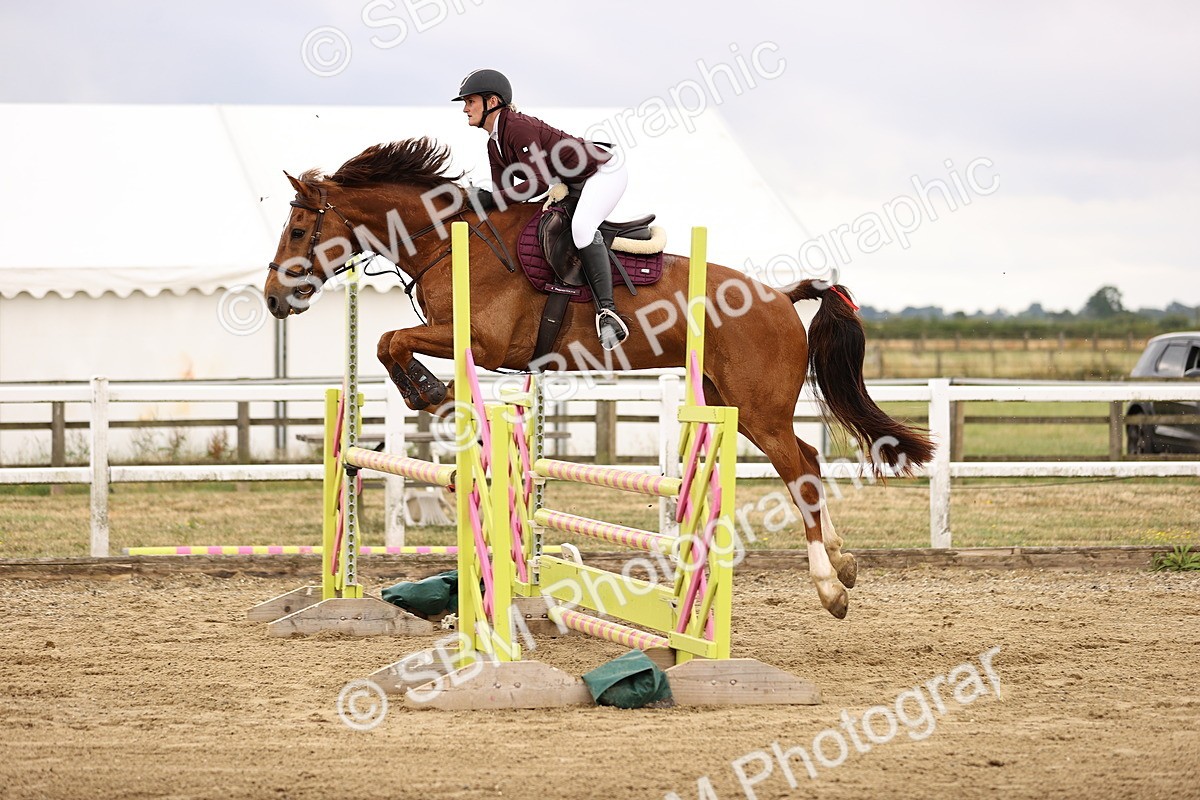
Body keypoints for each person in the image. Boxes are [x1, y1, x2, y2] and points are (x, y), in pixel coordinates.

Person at [453, 68, 630, 351]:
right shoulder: (494, 143)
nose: (465, 109)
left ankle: (607, 314)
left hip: (603, 172)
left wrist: (490, 199)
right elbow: (505, 197)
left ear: (493, 101)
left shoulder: (517, 128)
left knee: (582, 228)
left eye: (470, 101)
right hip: (572, 181)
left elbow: (536, 184)